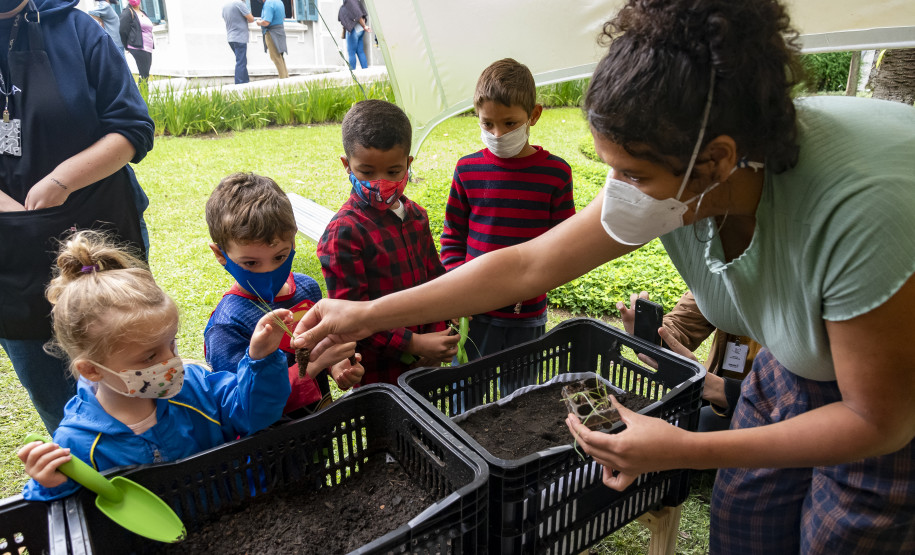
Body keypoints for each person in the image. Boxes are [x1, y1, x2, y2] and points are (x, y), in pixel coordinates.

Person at [293, 0, 915, 551]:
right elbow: (526, 262)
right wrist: (368, 313)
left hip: (891, 393)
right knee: (745, 522)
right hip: (793, 361)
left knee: (843, 534)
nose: (619, 194)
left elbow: (876, 420)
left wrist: (685, 448)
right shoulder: (680, 171)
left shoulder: (862, 209)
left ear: (718, 161)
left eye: (635, 175)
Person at [16, 230, 292, 501]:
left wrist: (261, 360)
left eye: (171, 344)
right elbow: (75, 513)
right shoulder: (77, 444)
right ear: (92, 369)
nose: (170, 361)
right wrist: (52, 485)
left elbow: (254, 413)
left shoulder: (196, 387)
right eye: (149, 357)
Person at [0, 0, 154, 434]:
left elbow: (132, 127)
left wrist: (62, 180)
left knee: (136, 365)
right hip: (10, 248)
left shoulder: (78, 29)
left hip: (99, 225)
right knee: (54, 395)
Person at [316, 99, 459, 385]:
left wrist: (439, 333)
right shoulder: (343, 233)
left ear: (408, 164)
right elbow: (352, 317)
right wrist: (415, 343)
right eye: (366, 172)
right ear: (347, 166)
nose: (380, 183)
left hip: (426, 365)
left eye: (393, 172)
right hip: (379, 376)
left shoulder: (416, 216)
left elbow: (434, 281)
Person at [441, 58, 575, 361]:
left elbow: (565, 245)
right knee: (466, 393)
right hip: (473, 312)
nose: (498, 134)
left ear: (534, 115)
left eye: (510, 123)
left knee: (522, 395)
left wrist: (536, 283)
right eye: (487, 123)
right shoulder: (467, 169)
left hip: (527, 315)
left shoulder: (556, 174)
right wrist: (458, 291)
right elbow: (452, 237)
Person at [204, 172, 364, 415]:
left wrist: (336, 365)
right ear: (220, 254)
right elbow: (243, 405)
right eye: (251, 263)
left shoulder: (308, 289)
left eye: (280, 256)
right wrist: (315, 364)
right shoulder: (227, 324)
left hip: (319, 426)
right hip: (271, 446)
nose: (268, 271)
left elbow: (319, 345)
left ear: (294, 241)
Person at [619, 291, 760, 432]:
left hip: (764, 413)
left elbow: (777, 395)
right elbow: (685, 320)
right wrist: (652, 334)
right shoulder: (725, 280)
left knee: (702, 424)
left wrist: (715, 387)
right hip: (717, 399)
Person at [119, 0, 154, 82]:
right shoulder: (127, 12)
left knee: (145, 73)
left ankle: (143, 92)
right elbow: (122, 31)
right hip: (138, 46)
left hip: (148, 46)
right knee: (144, 74)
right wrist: (127, 46)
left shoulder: (143, 12)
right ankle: (142, 93)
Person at [221, 0, 255, 85]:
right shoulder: (240, 4)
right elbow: (251, 19)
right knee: (241, 62)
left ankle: (246, 82)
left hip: (231, 38)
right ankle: (239, 84)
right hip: (240, 37)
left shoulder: (225, 6)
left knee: (242, 60)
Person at [256, 0, 288, 79]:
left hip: (272, 33)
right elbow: (283, 17)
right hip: (280, 30)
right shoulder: (279, 1)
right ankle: (286, 78)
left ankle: (283, 80)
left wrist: (259, 22)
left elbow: (266, 22)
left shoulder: (268, 4)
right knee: (280, 56)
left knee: (275, 57)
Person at [337, 0, 369, 70]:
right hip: (360, 30)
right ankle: (366, 70)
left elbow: (358, 14)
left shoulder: (349, 2)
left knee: (351, 53)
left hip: (354, 30)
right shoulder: (355, 1)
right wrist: (363, 26)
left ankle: (352, 73)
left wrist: (364, 26)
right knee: (360, 51)